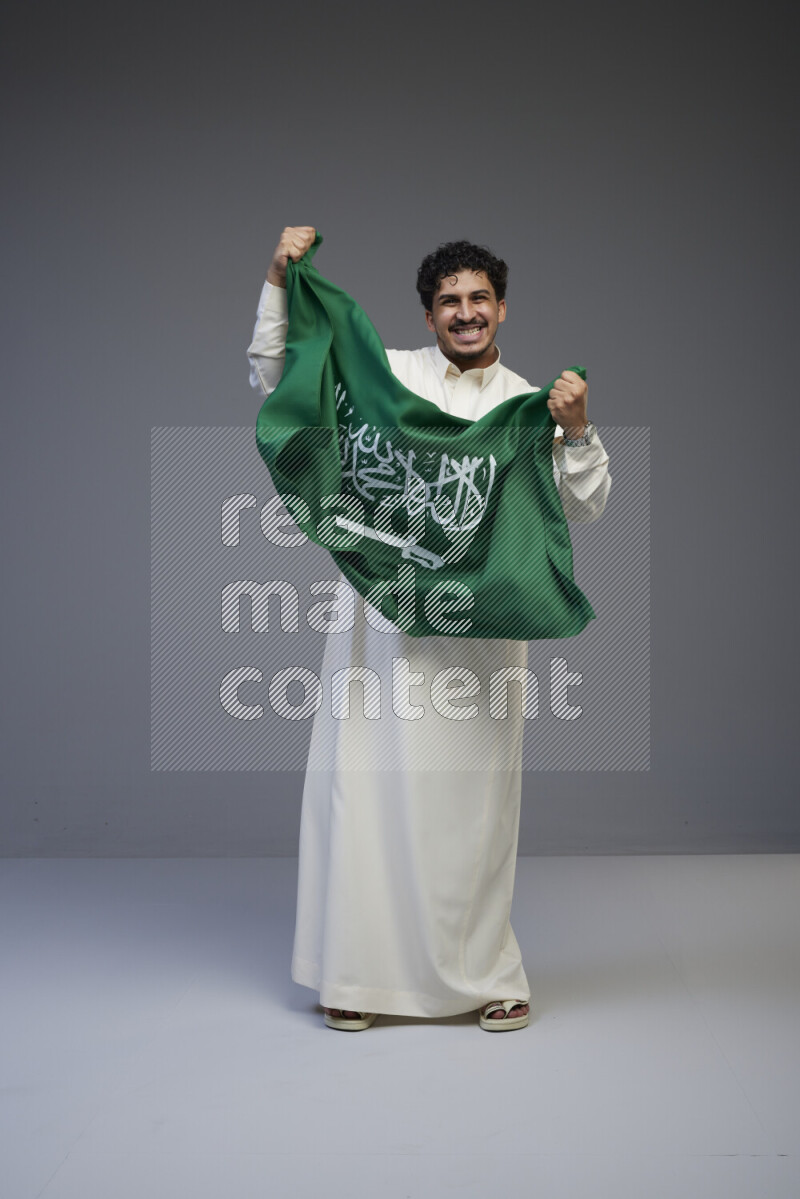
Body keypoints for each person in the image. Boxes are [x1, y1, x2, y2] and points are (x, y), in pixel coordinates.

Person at [248, 226, 611, 1031]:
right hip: (379, 628)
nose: (465, 311)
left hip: (479, 641)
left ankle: (485, 975)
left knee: (471, 811)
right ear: (429, 316)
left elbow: (583, 506)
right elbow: (279, 375)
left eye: (479, 297)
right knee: (365, 794)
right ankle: (355, 976)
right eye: (450, 300)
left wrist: (578, 430)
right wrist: (279, 280)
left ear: (502, 308)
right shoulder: (386, 378)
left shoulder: (528, 404)